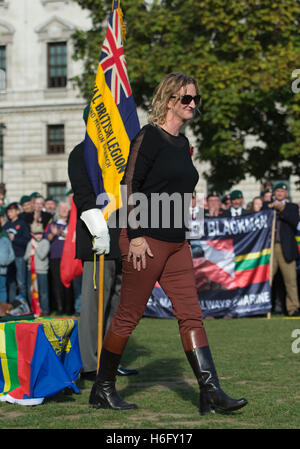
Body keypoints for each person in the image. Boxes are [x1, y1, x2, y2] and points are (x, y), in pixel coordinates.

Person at [88, 72, 248, 415]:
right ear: (169, 100)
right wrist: (134, 236)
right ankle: (102, 389)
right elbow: (129, 185)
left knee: (192, 316)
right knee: (128, 316)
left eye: (195, 99)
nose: (193, 104)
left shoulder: (183, 143)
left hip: (177, 242)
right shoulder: (149, 136)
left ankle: (211, 393)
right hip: (146, 239)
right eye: (187, 98)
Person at [68, 107, 138, 380]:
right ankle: (89, 364)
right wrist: (99, 228)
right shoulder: (80, 154)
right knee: (94, 305)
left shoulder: (120, 154)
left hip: (124, 236)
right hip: (98, 238)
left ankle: (110, 361)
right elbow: (84, 196)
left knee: (119, 307)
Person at [268, 182, 300, 316]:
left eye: (282, 191)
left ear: (286, 194)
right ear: (274, 193)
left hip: (285, 247)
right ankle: (264, 307)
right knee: (266, 279)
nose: (280, 193)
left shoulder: (291, 207)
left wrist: (281, 209)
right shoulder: (268, 207)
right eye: (278, 191)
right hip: (269, 248)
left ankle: (293, 308)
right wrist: (270, 209)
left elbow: (294, 221)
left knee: (290, 280)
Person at [44, 201, 74, 314]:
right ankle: (60, 308)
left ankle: (69, 308)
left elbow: (74, 237)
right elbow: (47, 238)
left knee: (68, 282)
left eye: (66, 208)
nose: (64, 210)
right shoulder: (54, 223)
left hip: (69, 257)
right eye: (61, 208)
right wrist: (54, 233)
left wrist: (63, 234)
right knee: (57, 283)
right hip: (56, 257)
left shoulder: (72, 223)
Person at [4, 202, 31, 302]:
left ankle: (23, 305)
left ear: (17, 211)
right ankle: (11, 305)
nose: (9, 213)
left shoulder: (22, 224)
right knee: (11, 282)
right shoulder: (7, 225)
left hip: (19, 256)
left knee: (21, 282)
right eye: (8, 211)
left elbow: (27, 240)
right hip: (9, 258)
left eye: (11, 211)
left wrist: (14, 239)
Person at [24, 222, 50, 316]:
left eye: (40, 233)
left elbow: (42, 255)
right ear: (32, 234)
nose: (38, 236)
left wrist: (36, 247)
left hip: (42, 271)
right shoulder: (29, 243)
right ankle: (34, 310)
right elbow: (25, 258)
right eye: (36, 234)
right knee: (32, 291)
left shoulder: (45, 242)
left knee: (43, 292)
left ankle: (45, 310)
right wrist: (29, 254)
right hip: (31, 271)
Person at [0, 206, 15, 302]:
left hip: (2, 270)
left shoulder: (4, 235)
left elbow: (11, 254)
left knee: (2, 289)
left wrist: (5, 262)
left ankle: (2, 312)